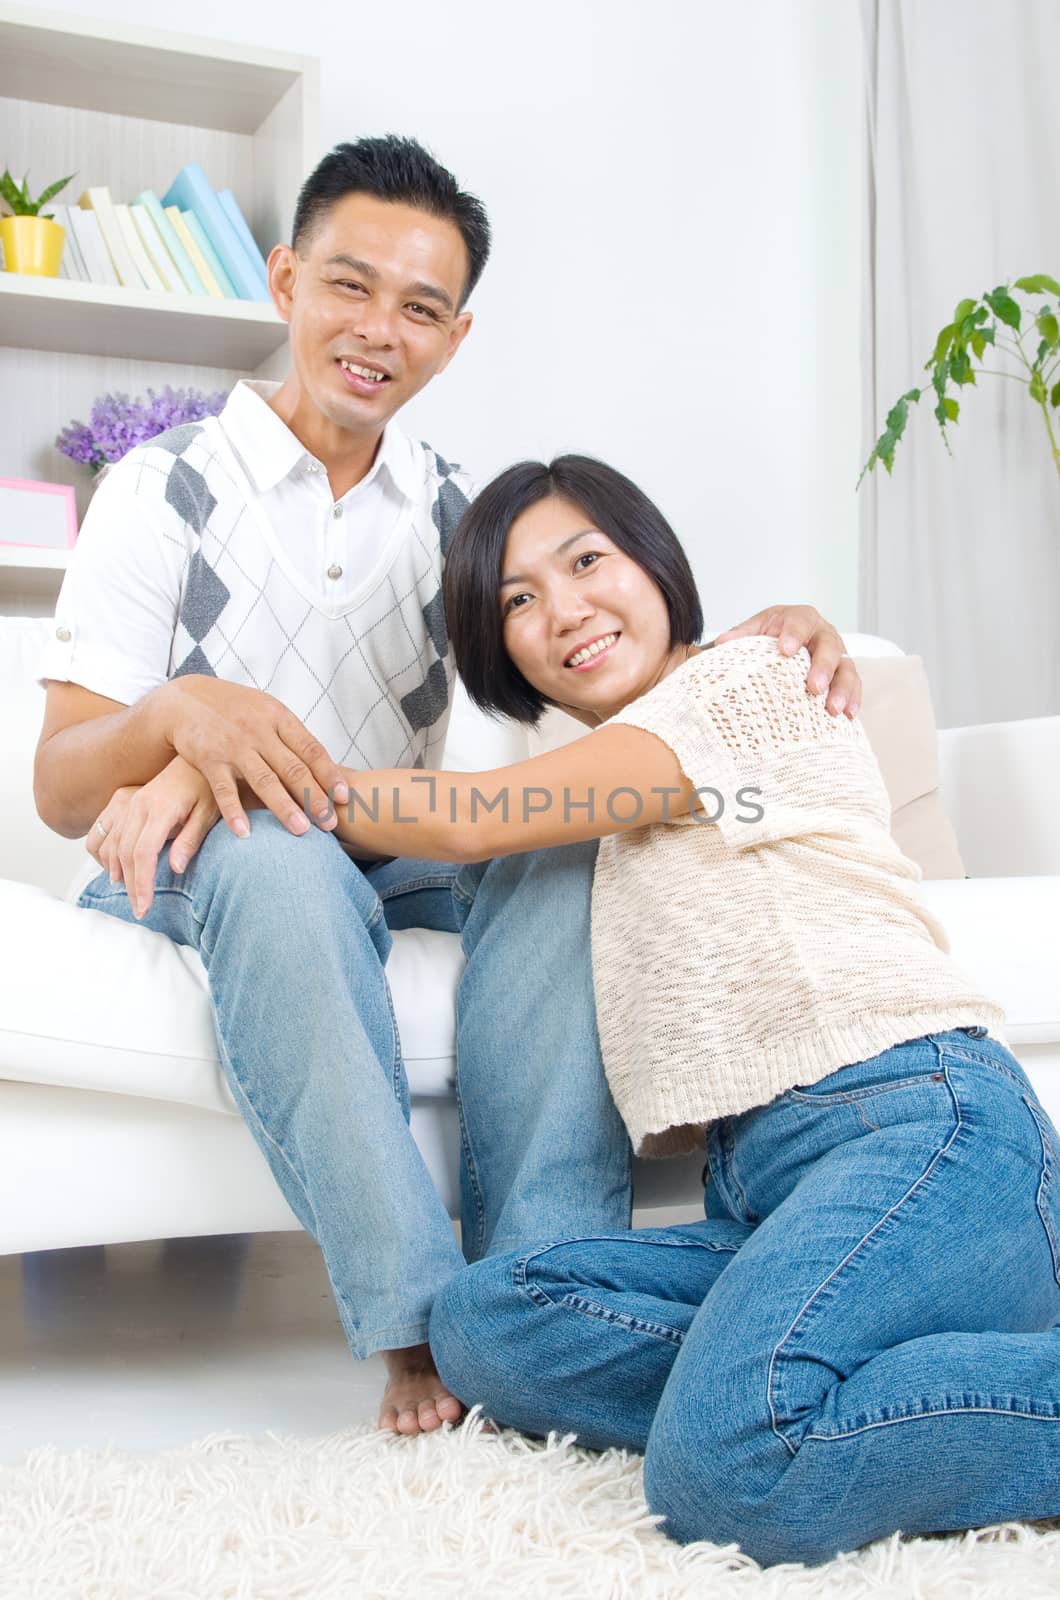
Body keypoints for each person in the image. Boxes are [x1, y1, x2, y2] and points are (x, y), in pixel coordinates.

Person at [33, 138, 859, 1439]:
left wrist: (766, 634)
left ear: (457, 336)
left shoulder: (467, 519)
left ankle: (545, 1291)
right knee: (269, 849)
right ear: (287, 277)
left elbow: (609, 700)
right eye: (349, 286)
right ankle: (415, 1323)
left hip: (402, 844)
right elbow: (63, 784)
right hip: (216, 863)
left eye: (420, 308)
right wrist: (179, 721)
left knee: (563, 852)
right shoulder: (158, 489)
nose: (378, 331)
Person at [261, 452, 1060, 1566]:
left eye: (585, 560)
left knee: (729, 1470)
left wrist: (235, 761)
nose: (563, 610)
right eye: (519, 602)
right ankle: (914, 1352)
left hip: (918, 1125)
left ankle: (813, 1389)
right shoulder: (629, 794)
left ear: (654, 558)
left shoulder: (745, 687)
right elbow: (453, 869)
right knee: (487, 1324)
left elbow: (475, 816)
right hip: (764, 1193)